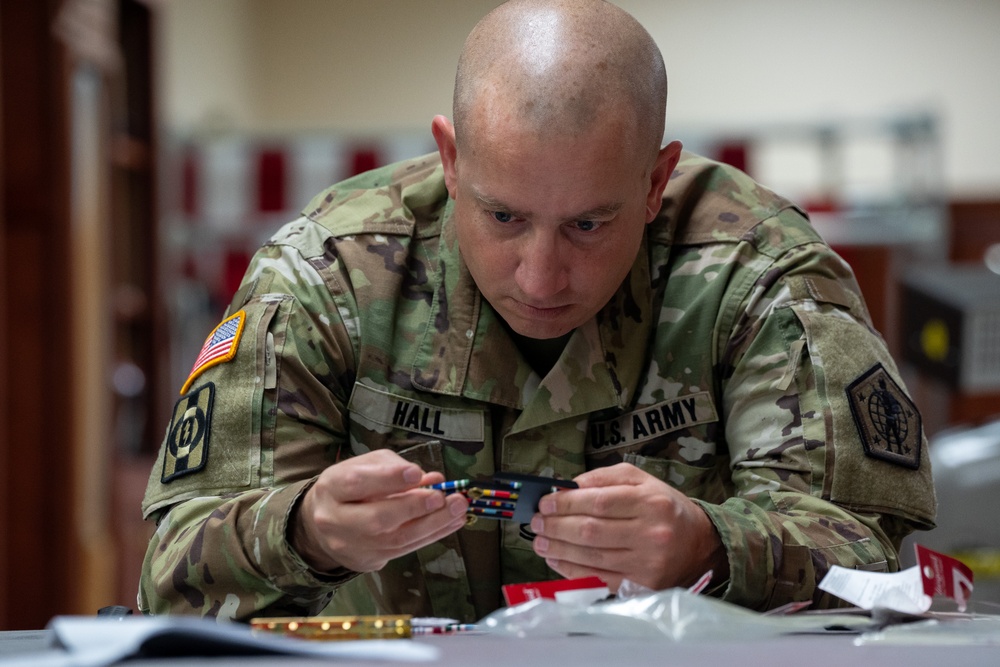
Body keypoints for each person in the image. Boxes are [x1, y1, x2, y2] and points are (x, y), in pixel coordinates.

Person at [139, 0, 936, 622]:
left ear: (656, 183)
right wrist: (304, 529)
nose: (542, 274)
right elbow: (170, 579)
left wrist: (714, 544)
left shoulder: (757, 272)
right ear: (451, 161)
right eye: (504, 217)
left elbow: (882, 572)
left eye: (589, 223)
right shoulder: (329, 273)